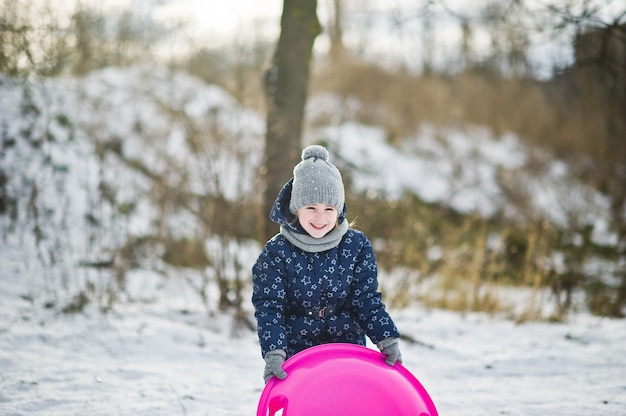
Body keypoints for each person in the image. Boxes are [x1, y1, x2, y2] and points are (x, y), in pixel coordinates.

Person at [252, 144, 402, 383]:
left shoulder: (356, 246)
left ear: (339, 209)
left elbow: (366, 299)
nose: (320, 217)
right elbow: (270, 308)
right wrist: (274, 352)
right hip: (297, 349)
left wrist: (387, 338)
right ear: (296, 207)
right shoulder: (276, 252)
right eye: (311, 207)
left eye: (329, 208)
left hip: (345, 344)